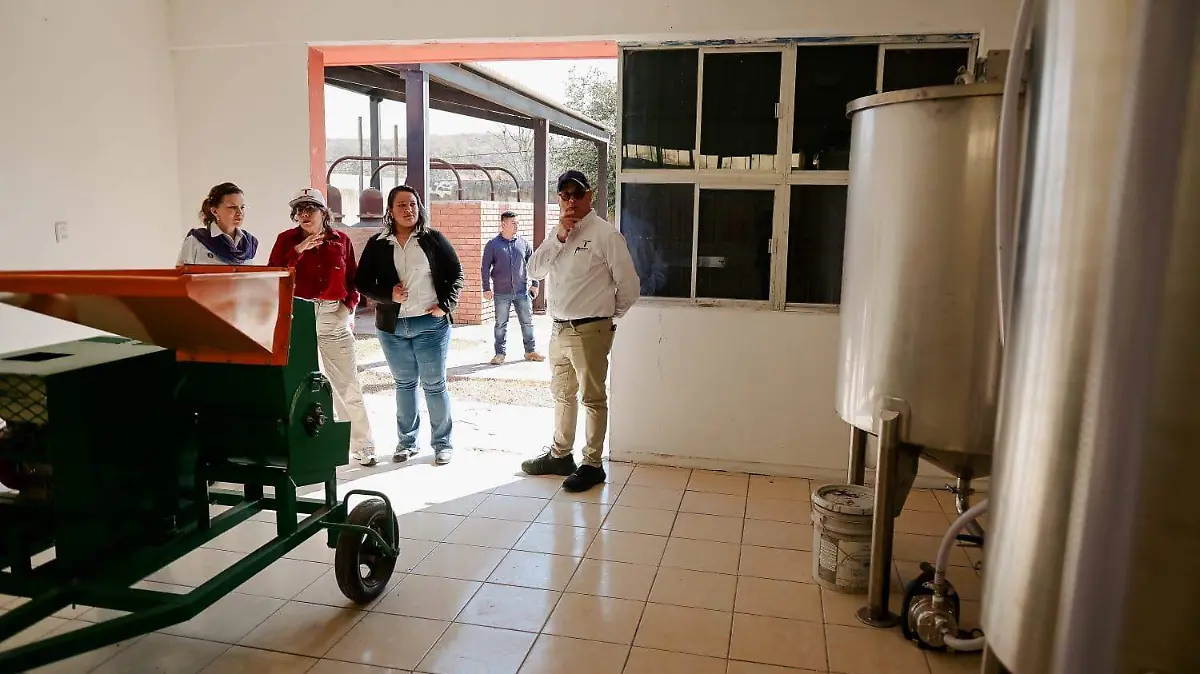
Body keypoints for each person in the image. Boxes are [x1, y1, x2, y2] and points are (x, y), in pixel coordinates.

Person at [520, 170, 640, 492]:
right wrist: (559, 236)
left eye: (577, 194)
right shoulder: (557, 233)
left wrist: (605, 318)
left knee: (592, 398)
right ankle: (560, 455)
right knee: (562, 394)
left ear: (590, 196)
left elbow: (629, 286)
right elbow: (534, 270)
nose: (571, 200)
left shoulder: (605, 235)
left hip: (590, 330)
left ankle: (592, 463)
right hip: (558, 329)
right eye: (564, 195)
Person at [267, 188, 378, 467]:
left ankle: (362, 445)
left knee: (346, 383)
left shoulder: (340, 240)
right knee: (298, 384)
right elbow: (272, 275)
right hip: (298, 313)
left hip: (332, 314)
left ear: (323, 213)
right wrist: (297, 253)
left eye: (311, 208)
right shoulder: (286, 241)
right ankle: (300, 444)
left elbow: (352, 276)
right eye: (300, 209)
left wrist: (348, 305)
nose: (305, 214)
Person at [355, 185, 464, 466]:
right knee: (404, 385)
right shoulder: (378, 243)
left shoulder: (433, 239)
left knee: (434, 385)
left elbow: (456, 274)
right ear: (390, 211)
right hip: (392, 329)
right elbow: (362, 282)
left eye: (413, 204)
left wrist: (445, 305)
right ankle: (407, 443)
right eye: (401, 205)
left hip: (430, 324)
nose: (408, 209)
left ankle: (442, 443)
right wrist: (387, 295)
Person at [482, 211, 545, 365]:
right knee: (500, 324)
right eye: (513, 223)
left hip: (522, 292)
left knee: (527, 322)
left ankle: (530, 351)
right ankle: (500, 354)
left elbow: (533, 265)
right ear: (503, 224)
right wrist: (486, 288)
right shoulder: (493, 244)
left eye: (517, 223)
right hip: (501, 292)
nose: (517, 225)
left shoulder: (523, 243)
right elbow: (485, 267)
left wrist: (535, 284)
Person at [178, 182, 259, 265]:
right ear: (215, 211)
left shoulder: (249, 243)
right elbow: (182, 275)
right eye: (232, 207)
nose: (240, 212)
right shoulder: (196, 241)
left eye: (242, 207)